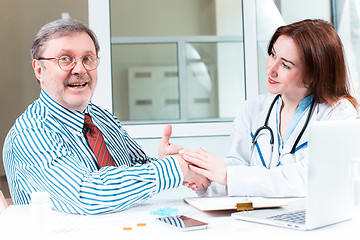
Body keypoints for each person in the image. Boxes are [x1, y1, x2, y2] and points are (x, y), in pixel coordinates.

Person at [2, 18, 209, 215]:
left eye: (88, 59)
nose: (80, 69)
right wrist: (173, 169)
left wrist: (166, 163)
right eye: (65, 59)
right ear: (39, 69)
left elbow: (137, 168)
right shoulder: (30, 133)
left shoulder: (102, 118)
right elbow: (88, 194)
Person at [180, 19, 358, 197]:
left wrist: (229, 175)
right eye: (273, 55)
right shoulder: (253, 109)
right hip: (256, 219)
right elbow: (234, 171)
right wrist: (197, 172)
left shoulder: (338, 113)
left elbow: (309, 179)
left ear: (313, 74)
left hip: (307, 220)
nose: (270, 70)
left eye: (285, 65)